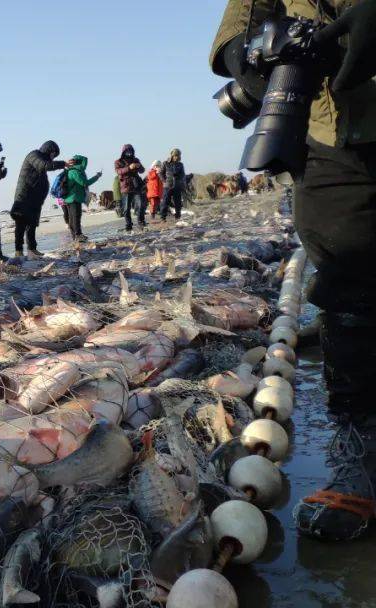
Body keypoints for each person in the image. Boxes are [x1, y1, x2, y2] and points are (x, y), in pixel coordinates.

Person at [212, 0, 376, 541]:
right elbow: (240, 21)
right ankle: (362, 457)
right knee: (343, 277)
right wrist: (245, 54)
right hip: (330, 131)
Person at [10, 141, 68, 257]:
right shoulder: (34, 155)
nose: (53, 157)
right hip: (24, 196)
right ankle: (18, 251)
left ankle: (32, 249)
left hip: (34, 199)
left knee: (32, 224)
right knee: (21, 224)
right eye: (53, 154)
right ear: (48, 150)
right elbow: (44, 166)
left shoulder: (42, 159)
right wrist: (63, 164)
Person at [60, 155, 102, 241]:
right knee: (76, 217)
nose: (85, 165)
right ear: (80, 162)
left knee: (72, 217)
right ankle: (78, 235)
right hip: (73, 198)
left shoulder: (72, 170)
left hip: (71, 198)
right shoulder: (75, 172)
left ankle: (75, 236)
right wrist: (96, 177)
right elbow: (84, 183)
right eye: (84, 163)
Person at [114, 144, 147, 231]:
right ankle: (128, 224)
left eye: (131, 151)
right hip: (126, 186)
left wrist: (139, 166)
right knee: (126, 208)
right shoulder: (118, 161)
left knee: (140, 205)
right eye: (127, 151)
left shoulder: (136, 160)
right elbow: (118, 171)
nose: (129, 153)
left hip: (136, 185)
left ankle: (141, 222)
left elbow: (142, 170)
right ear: (123, 152)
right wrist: (129, 167)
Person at [159, 148, 186, 221]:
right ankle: (163, 217)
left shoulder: (180, 165)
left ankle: (178, 216)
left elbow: (183, 175)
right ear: (172, 155)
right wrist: (164, 181)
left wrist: (179, 179)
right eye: (175, 155)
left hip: (177, 186)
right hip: (167, 186)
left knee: (178, 202)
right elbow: (160, 173)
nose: (176, 157)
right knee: (165, 202)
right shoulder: (165, 163)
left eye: (178, 155)